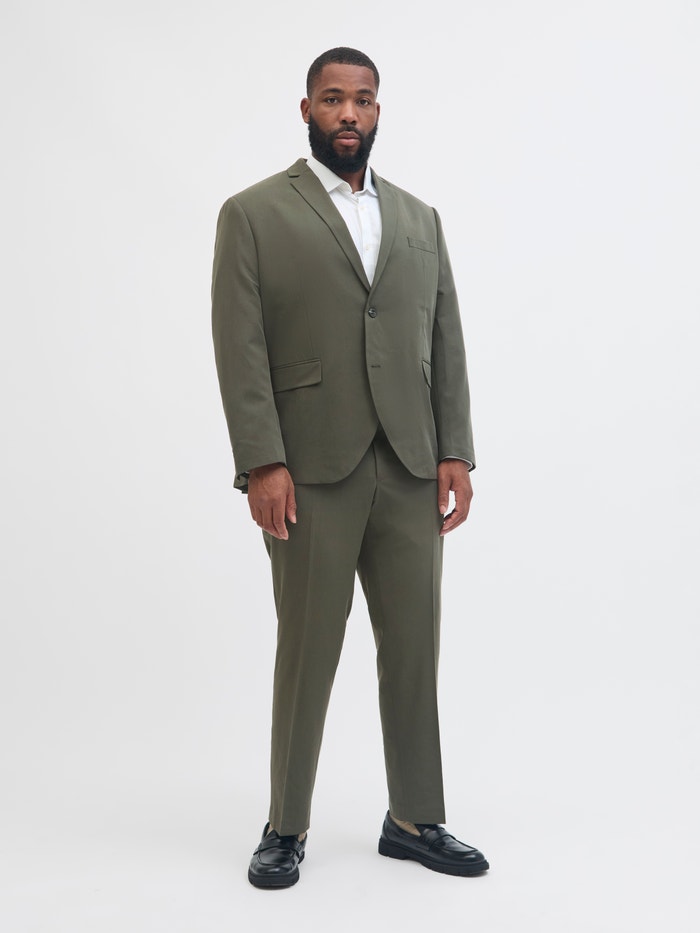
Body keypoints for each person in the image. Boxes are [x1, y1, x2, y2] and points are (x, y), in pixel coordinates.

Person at [211, 47, 489, 888]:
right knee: (307, 651)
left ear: (377, 111)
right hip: (309, 469)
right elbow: (239, 345)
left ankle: (414, 817)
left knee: (414, 647)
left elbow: (444, 335)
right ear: (306, 110)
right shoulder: (253, 213)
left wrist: (454, 449)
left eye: (362, 100)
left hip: (410, 465)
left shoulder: (419, 217)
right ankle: (285, 823)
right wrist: (263, 460)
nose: (348, 114)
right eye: (332, 99)